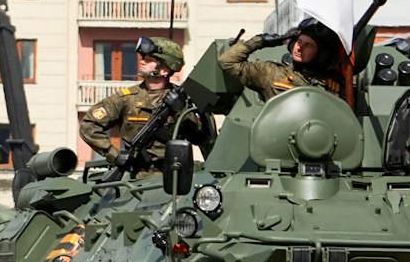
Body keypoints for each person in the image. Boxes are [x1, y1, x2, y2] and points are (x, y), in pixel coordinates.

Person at [80, 36, 192, 176]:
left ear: (164, 70)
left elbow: (202, 137)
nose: (142, 62)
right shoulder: (127, 99)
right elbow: (89, 125)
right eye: (143, 57)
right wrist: (114, 154)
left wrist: (180, 109)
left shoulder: (182, 100)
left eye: (149, 59)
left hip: (172, 179)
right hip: (135, 177)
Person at [219, 17, 348, 101]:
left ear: (321, 55)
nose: (299, 48)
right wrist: (261, 41)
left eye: (308, 45)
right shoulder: (272, 73)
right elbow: (227, 61)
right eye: (298, 42)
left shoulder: (333, 83)